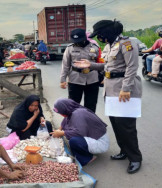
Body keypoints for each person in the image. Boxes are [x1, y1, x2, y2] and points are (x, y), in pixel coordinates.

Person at [74, 19, 143, 174]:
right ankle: (124, 150)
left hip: (124, 91)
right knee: (116, 123)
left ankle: (135, 158)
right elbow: (108, 66)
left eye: (100, 34)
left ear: (107, 32)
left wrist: (126, 88)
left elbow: (132, 67)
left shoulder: (127, 43)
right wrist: (90, 65)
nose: (99, 38)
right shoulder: (109, 45)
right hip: (111, 90)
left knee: (127, 126)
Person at [51, 98, 109, 166]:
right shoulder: (72, 110)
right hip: (95, 137)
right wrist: (59, 129)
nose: (61, 115)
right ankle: (84, 152)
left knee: (74, 141)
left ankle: (87, 159)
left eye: (61, 113)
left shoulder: (78, 114)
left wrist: (62, 133)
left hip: (100, 143)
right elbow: (66, 119)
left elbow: (80, 133)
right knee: (72, 137)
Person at [60, 28, 101, 113]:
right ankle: (73, 124)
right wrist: (62, 80)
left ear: (85, 38)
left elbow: (100, 63)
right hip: (75, 80)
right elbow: (65, 65)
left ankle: (89, 123)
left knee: (91, 105)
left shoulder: (95, 48)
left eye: (79, 40)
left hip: (92, 80)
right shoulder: (69, 48)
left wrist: (102, 77)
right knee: (73, 105)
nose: (77, 42)